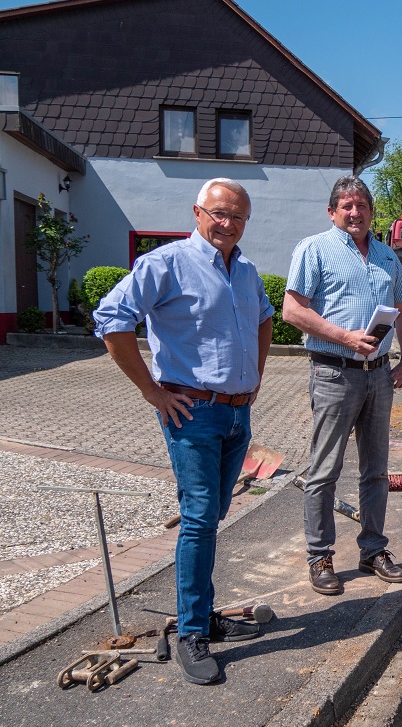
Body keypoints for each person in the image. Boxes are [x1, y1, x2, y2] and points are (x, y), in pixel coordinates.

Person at [94, 178, 274, 685]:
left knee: (212, 516)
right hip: (191, 413)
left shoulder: (246, 271)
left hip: (238, 414)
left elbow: (264, 319)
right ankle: (193, 631)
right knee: (198, 518)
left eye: (238, 217)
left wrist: (255, 375)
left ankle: (205, 615)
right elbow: (111, 320)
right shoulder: (164, 264)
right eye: (219, 213)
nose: (228, 224)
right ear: (197, 212)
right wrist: (152, 392)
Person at [283, 177, 402, 596]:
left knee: (375, 470)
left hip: (379, 374)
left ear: (371, 211)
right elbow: (292, 311)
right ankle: (319, 556)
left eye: (360, 205)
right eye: (345, 206)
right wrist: (345, 337)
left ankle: (373, 549)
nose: (354, 212)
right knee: (325, 471)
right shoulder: (314, 249)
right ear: (332, 212)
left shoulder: (385, 256)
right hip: (334, 373)